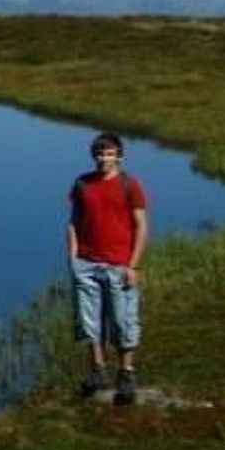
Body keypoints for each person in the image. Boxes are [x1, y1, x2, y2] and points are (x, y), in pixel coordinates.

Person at [67, 131, 148, 405]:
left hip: (119, 264)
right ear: (94, 156)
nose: (104, 159)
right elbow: (73, 223)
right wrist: (73, 259)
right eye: (100, 154)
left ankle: (126, 372)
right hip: (87, 264)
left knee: (123, 321)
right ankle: (97, 370)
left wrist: (133, 265)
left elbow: (141, 226)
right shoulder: (82, 184)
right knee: (89, 322)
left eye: (110, 154)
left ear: (120, 157)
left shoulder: (130, 185)